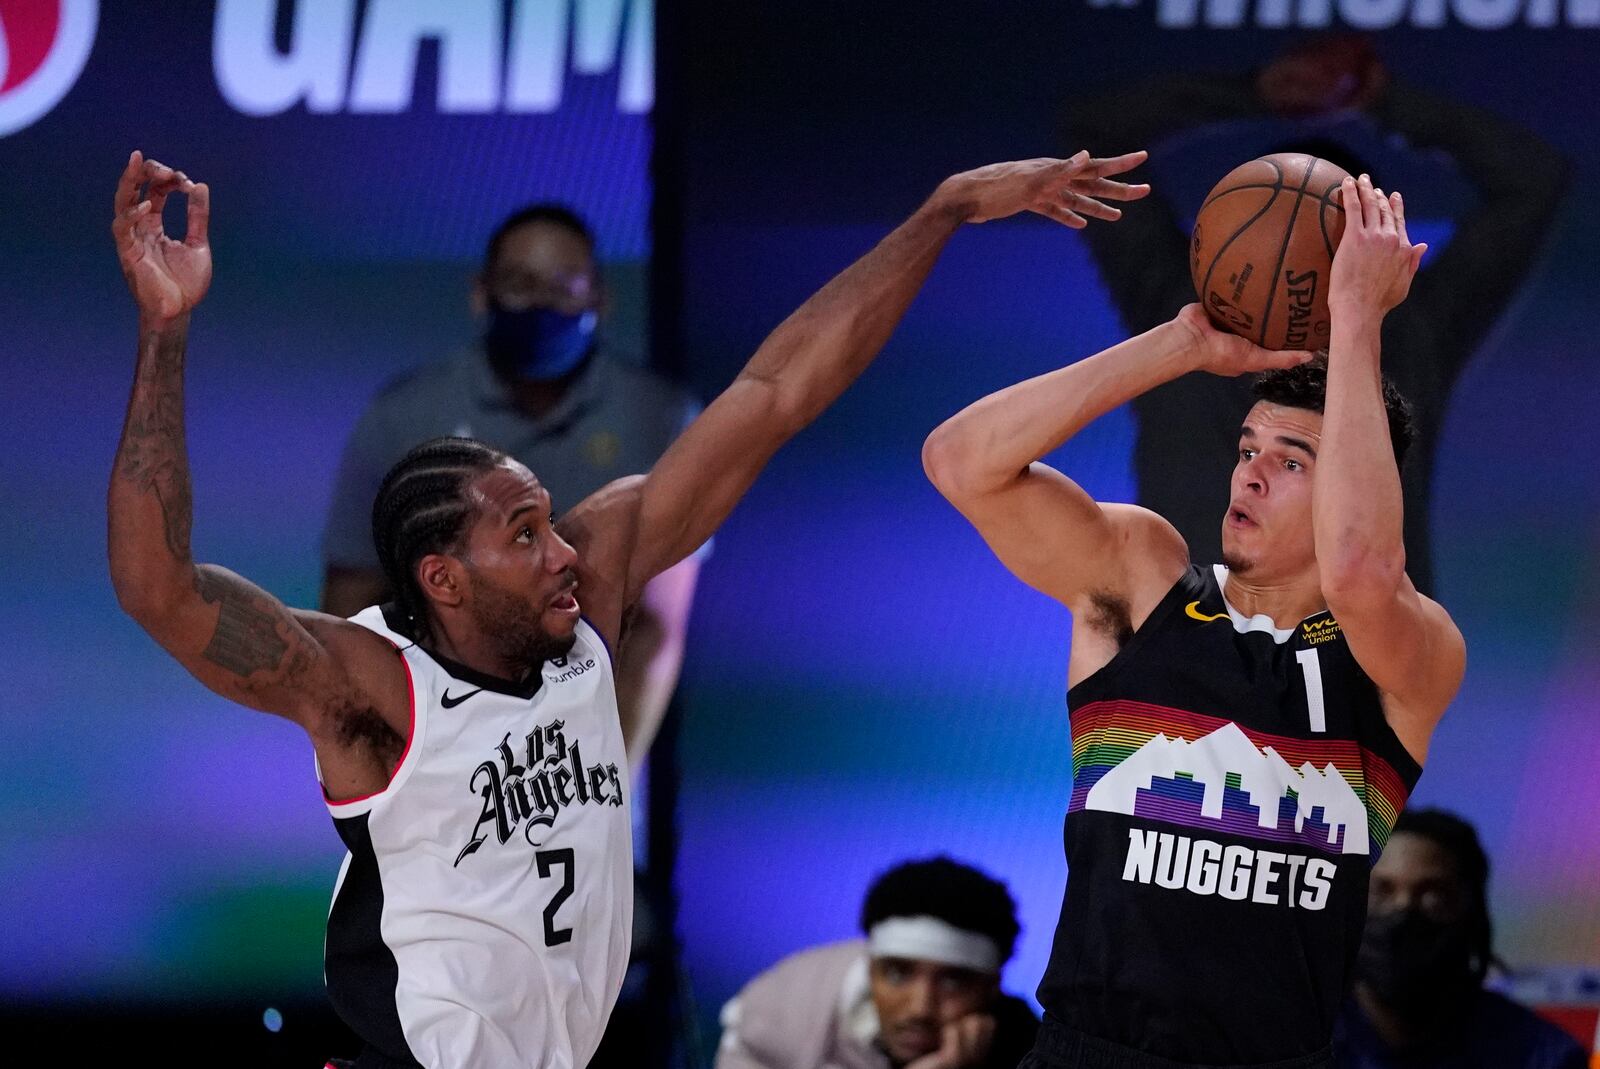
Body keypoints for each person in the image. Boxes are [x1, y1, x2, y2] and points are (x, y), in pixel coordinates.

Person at [107, 148, 1148, 1069]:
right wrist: (167, 331)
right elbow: (162, 589)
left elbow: (776, 393)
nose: (565, 549)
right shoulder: (372, 687)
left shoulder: (587, 595)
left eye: (552, 519)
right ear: (443, 578)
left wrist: (943, 211)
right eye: (523, 534)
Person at [923, 173, 1466, 1067]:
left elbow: (1364, 569)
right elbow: (959, 463)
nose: (1248, 474)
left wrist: (1357, 320)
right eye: (1248, 449)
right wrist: (1176, 345)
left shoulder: (1407, 656)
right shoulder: (1144, 581)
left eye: (1291, 461)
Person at [1060, 33, 1569, 596]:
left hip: (1358, 664)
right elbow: (1089, 145)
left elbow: (1535, 181)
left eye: (1325, 231)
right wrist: (1272, 93)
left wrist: (1358, 99)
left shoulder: (1405, 323)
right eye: (1281, 229)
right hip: (1192, 663)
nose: (1295, 252)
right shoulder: (1180, 310)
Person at [320, 203, 700, 766]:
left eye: (564, 286)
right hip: (434, 754)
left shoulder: (658, 418)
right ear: (482, 292)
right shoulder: (404, 416)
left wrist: (607, 778)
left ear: (599, 297)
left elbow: (655, 629)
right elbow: (349, 620)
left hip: (589, 752)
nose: (542, 305)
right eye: (520, 285)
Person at [717, 857, 1040, 1069]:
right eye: (898, 974)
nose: (920, 1009)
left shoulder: (1031, 1051)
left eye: (953, 981)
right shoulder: (778, 1018)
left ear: (992, 989)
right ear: (869, 969)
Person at [1334, 809, 1588, 1069]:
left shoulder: (1542, 1057)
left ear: (1473, 912)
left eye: (1433, 896)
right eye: (1380, 891)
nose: (1402, 913)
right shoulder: (1300, 1039)